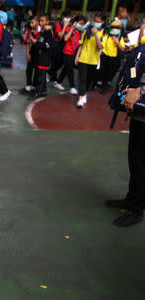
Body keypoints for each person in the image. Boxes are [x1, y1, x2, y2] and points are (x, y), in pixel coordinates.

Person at [106, 45, 145, 226]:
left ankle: (137, 210)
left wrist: (140, 91)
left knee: (141, 164)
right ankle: (131, 199)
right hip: (140, 114)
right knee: (134, 160)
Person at [74, 13, 104, 108]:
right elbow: (81, 44)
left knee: (88, 80)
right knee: (82, 79)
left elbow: (100, 47)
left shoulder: (103, 33)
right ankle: (80, 98)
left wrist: (96, 35)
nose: (95, 23)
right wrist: (77, 56)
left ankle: (85, 93)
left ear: (103, 22)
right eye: (94, 21)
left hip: (94, 60)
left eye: (98, 22)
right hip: (83, 58)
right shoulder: (87, 30)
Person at [53, 15, 85, 95]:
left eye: (82, 24)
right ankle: (72, 87)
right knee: (70, 69)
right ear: (75, 22)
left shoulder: (80, 31)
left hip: (75, 52)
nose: (81, 26)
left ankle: (57, 82)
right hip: (67, 52)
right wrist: (72, 28)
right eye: (80, 24)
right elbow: (65, 38)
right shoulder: (69, 29)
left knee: (66, 68)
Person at [28, 15, 53, 100]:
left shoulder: (48, 32)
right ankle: (44, 90)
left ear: (47, 22)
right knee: (39, 74)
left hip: (44, 58)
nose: (41, 23)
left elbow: (48, 44)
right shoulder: (43, 31)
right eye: (40, 21)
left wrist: (37, 42)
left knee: (41, 76)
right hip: (40, 57)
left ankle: (39, 92)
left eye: (43, 21)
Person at [100, 20, 126, 94]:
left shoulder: (120, 37)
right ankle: (103, 87)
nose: (116, 29)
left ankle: (107, 83)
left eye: (118, 28)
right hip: (105, 57)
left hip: (115, 58)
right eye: (114, 28)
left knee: (112, 72)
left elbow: (122, 48)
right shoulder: (107, 35)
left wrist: (117, 42)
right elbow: (102, 45)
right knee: (104, 72)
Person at [50, 9, 71, 87]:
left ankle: (48, 73)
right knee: (55, 63)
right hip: (56, 45)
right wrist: (65, 26)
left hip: (64, 46)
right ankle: (54, 80)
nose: (68, 19)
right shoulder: (58, 25)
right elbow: (60, 36)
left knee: (60, 64)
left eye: (69, 18)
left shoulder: (70, 26)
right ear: (63, 17)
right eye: (67, 17)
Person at [24, 15, 40, 93]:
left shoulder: (42, 31)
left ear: (37, 22)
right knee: (29, 69)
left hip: (40, 52)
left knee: (37, 69)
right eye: (30, 23)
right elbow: (27, 43)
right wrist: (27, 53)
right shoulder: (30, 32)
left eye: (32, 23)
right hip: (32, 51)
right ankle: (28, 84)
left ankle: (34, 84)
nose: (31, 25)